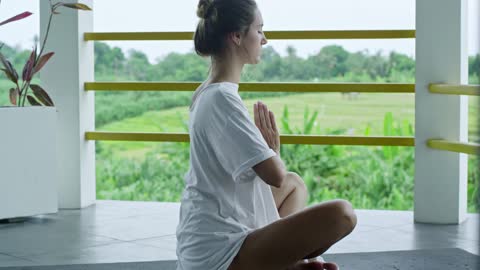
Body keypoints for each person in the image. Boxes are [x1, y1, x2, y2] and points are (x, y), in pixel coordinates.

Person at [175, 0, 358, 269]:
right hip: (219, 252)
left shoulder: (207, 91)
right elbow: (274, 174)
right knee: (343, 215)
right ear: (236, 36)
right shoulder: (222, 99)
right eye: (259, 30)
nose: (265, 39)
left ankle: (289, 263)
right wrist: (271, 150)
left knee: (294, 185)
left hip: (216, 228)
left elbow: (271, 177)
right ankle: (289, 264)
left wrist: (267, 154)